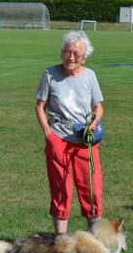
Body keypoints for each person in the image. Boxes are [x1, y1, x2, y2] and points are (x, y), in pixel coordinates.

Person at [35, 30, 104, 234]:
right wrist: (48, 134)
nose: (71, 57)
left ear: (84, 56)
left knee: (91, 189)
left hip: (84, 141)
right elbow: (40, 106)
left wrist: (94, 122)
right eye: (67, 52)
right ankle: (61, 241)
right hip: (59, 137)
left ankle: (94, 241)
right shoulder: (49, 74)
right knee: (61, 189)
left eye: (76, 54)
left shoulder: (90, 76)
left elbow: (98, 106)